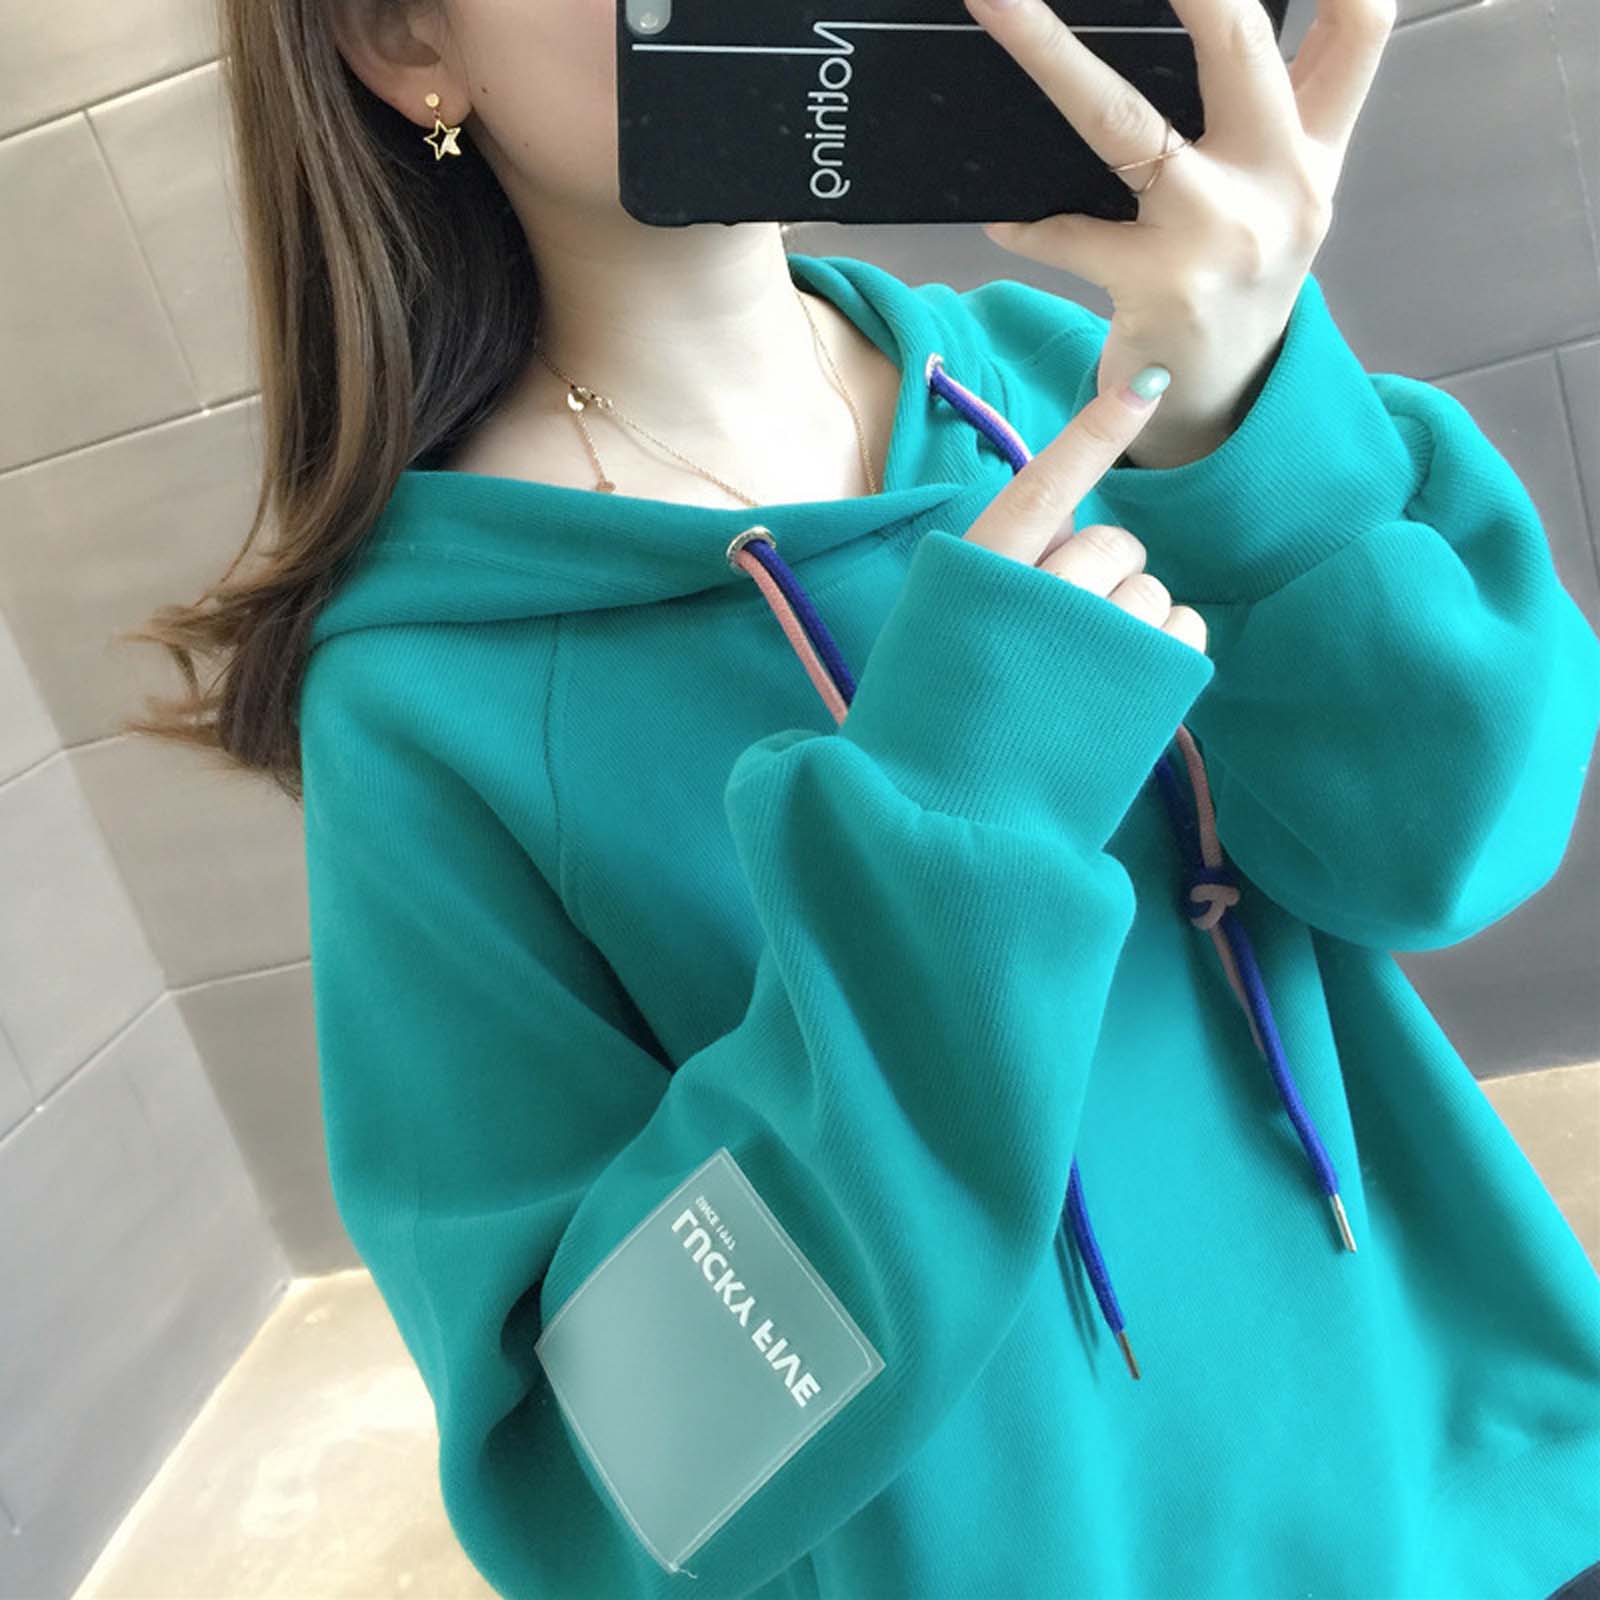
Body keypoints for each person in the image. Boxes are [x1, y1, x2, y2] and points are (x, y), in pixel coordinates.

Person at [121, 0, 1600, 1594]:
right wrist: (951, 838)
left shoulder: (1090, 380)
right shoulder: (427, 702)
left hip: (1479, 1490)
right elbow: (613, 1481)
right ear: (408, 36)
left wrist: (1256, 434)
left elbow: (1453, 854)